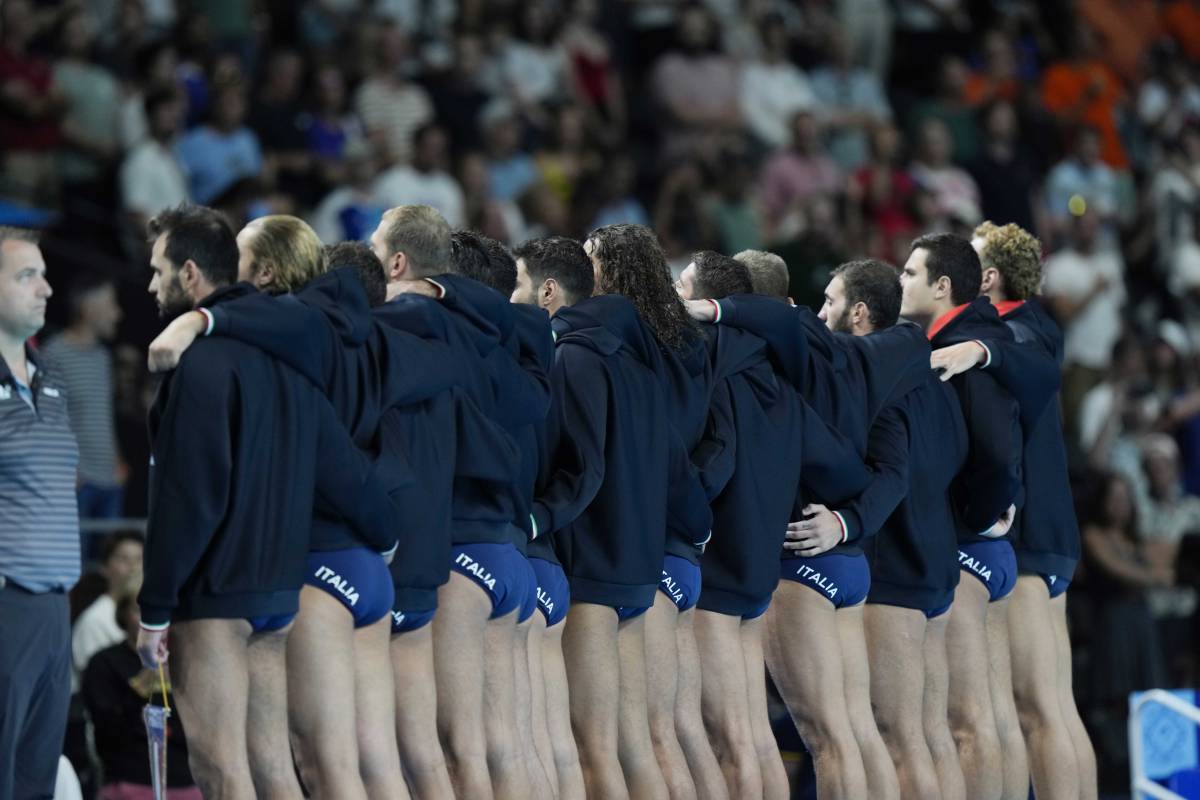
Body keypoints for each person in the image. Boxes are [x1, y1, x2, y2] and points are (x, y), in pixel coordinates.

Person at [135, 204, 401, 799]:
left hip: (217, 595)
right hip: (279, 592)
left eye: (158, 270)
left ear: (191, 276)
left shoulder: (198, 361)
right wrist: (385, 532)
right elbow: (339, 463)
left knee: (223, 771)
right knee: (276, 769)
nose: (150, 284)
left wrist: (154, 608)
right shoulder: (290, 357)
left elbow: (189, 497)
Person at [686, 254, 929, 800]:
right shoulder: (885, 364)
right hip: (848, 562)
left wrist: (840, 521)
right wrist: (850, 521)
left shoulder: (779, 363)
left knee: (823, 739)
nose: (820, 314)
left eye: (831, 302)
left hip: (800, 561)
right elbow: (881, 469)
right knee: (858, 732)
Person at [369, 205, 536, 800]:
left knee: (450, 748)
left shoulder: (409, 324)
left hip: (458, 554)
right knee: (508, 744)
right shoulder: (500, 329)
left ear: (397, 261)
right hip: (514, 557)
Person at [934, 221, 1099, 799]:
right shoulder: (1037, 326)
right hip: (1051, 528)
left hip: (1025, 531)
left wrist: (976, 347)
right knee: (1051, 706)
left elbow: (1015, 357)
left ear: (989, 276)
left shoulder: (1017, 330)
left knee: (1032, 708)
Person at [585, 224, 718, 800]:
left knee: (642, 735)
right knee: (673, 730)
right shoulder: (692, 341)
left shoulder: (619, 346)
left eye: (589, 260)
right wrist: (699, 517)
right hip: (682, 542)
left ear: (612, 270)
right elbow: (716, 441)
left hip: (639, 539)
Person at [898, 233, 1024, 800]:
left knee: (964, 722)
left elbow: (996, 451)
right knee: (991, 718)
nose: (900, 282)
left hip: (971, 551)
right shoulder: (980, 337)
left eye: (909, 273)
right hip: (988, 554)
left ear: (942, 286)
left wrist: (976, 517)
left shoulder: (965, 346)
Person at [510, 236, 594, 800]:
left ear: (545, 291)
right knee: (556, 737)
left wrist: (532, 520)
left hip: (509, 556)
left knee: (501, 741)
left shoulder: (561, 355)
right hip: (552, 571)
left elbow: (587, 464)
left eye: (516, 284)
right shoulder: (618, 350)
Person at [0, 225, 79, 800]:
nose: (46, 289)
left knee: (35, 782)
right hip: (8, 607)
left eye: (44, 274)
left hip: (54, 610)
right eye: (27, 276)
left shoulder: (49, 382)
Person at [81, 593, 202, 800]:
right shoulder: (104, 663)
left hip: (188, 782)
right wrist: (138, 689)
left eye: (162, 612)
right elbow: (106, 737)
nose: (152, 620)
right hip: (129, 780)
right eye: (140, 610)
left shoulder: (188, 662)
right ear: (124, 613)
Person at [43, 275, 126, 522]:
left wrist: (118, 460)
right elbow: (46, 417)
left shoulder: (103, 357)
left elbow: (103, 414)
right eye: (111, 305)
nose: (117, 314)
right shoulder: (53, 354)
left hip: (111, 480)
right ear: (89, 309)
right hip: (78, 482)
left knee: (110, 559)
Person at [72, 533, 143, 681]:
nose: (133, 566)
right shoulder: (94, 620)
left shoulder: (157, 613)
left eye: (139, 558)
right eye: (124, 559)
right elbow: (96, 681)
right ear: (104, 568)